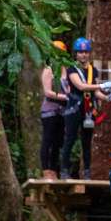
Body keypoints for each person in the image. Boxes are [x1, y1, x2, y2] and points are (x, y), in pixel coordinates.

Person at [61, 37, 111, 180]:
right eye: (80, 52)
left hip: (88, 110)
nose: (83, 55)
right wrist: (101, 86)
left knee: (86, 142)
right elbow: (81, 86)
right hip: (74, 108)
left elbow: (96, 92)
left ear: (89, 53)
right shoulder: (72, 68)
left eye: (86, 52)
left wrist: (107, 97)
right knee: (70, 139)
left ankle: (86, 172)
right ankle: (64, 170)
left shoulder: (93, 70)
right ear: (76, 54)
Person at [39, 40, 69, 180]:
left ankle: (54, 169)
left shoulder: (66, 70)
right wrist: (67, 97)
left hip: (63, 111)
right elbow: (48, 92)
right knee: (48, 139)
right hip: (50, 110)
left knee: (58, 141)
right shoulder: (48, 69)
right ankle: (46, 170)